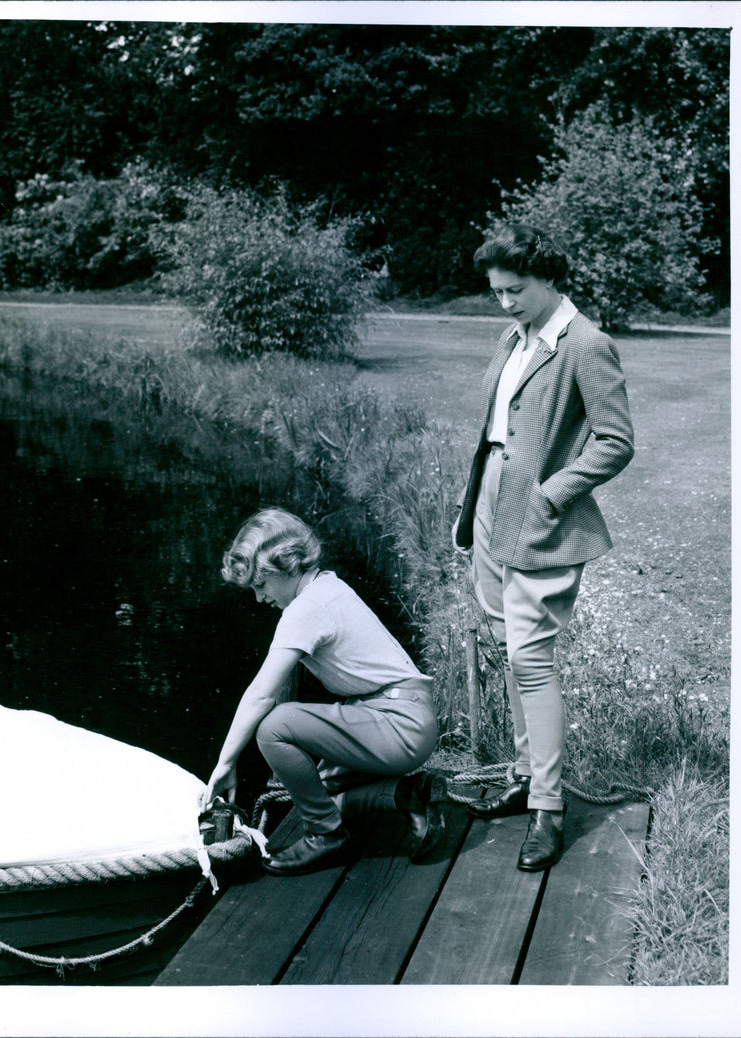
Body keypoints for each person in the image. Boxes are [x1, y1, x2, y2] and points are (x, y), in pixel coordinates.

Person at [454, 223, 634, 871]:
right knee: (509, 653)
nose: (505, 302)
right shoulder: (514, 336)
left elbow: (615, 441)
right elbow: (500, 429)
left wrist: (556, 491)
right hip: (490, 509)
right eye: (497, 292)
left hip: (543, 518)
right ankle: (528, 777)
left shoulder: (587, 344)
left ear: (549, 277)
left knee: (531, 661)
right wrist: (479, 503)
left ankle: (549, 811)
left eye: (515, 290)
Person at [201, 507, 446, 876]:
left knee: (274, 726)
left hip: (400, 725)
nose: (258, 598)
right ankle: (406, 794)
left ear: (285, 567)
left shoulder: (307, 608)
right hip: (401, 715)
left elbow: (261, 695)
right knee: (317, 791)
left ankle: (325, 836)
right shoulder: (326, 586)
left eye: (260, 585)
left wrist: (225, 763)